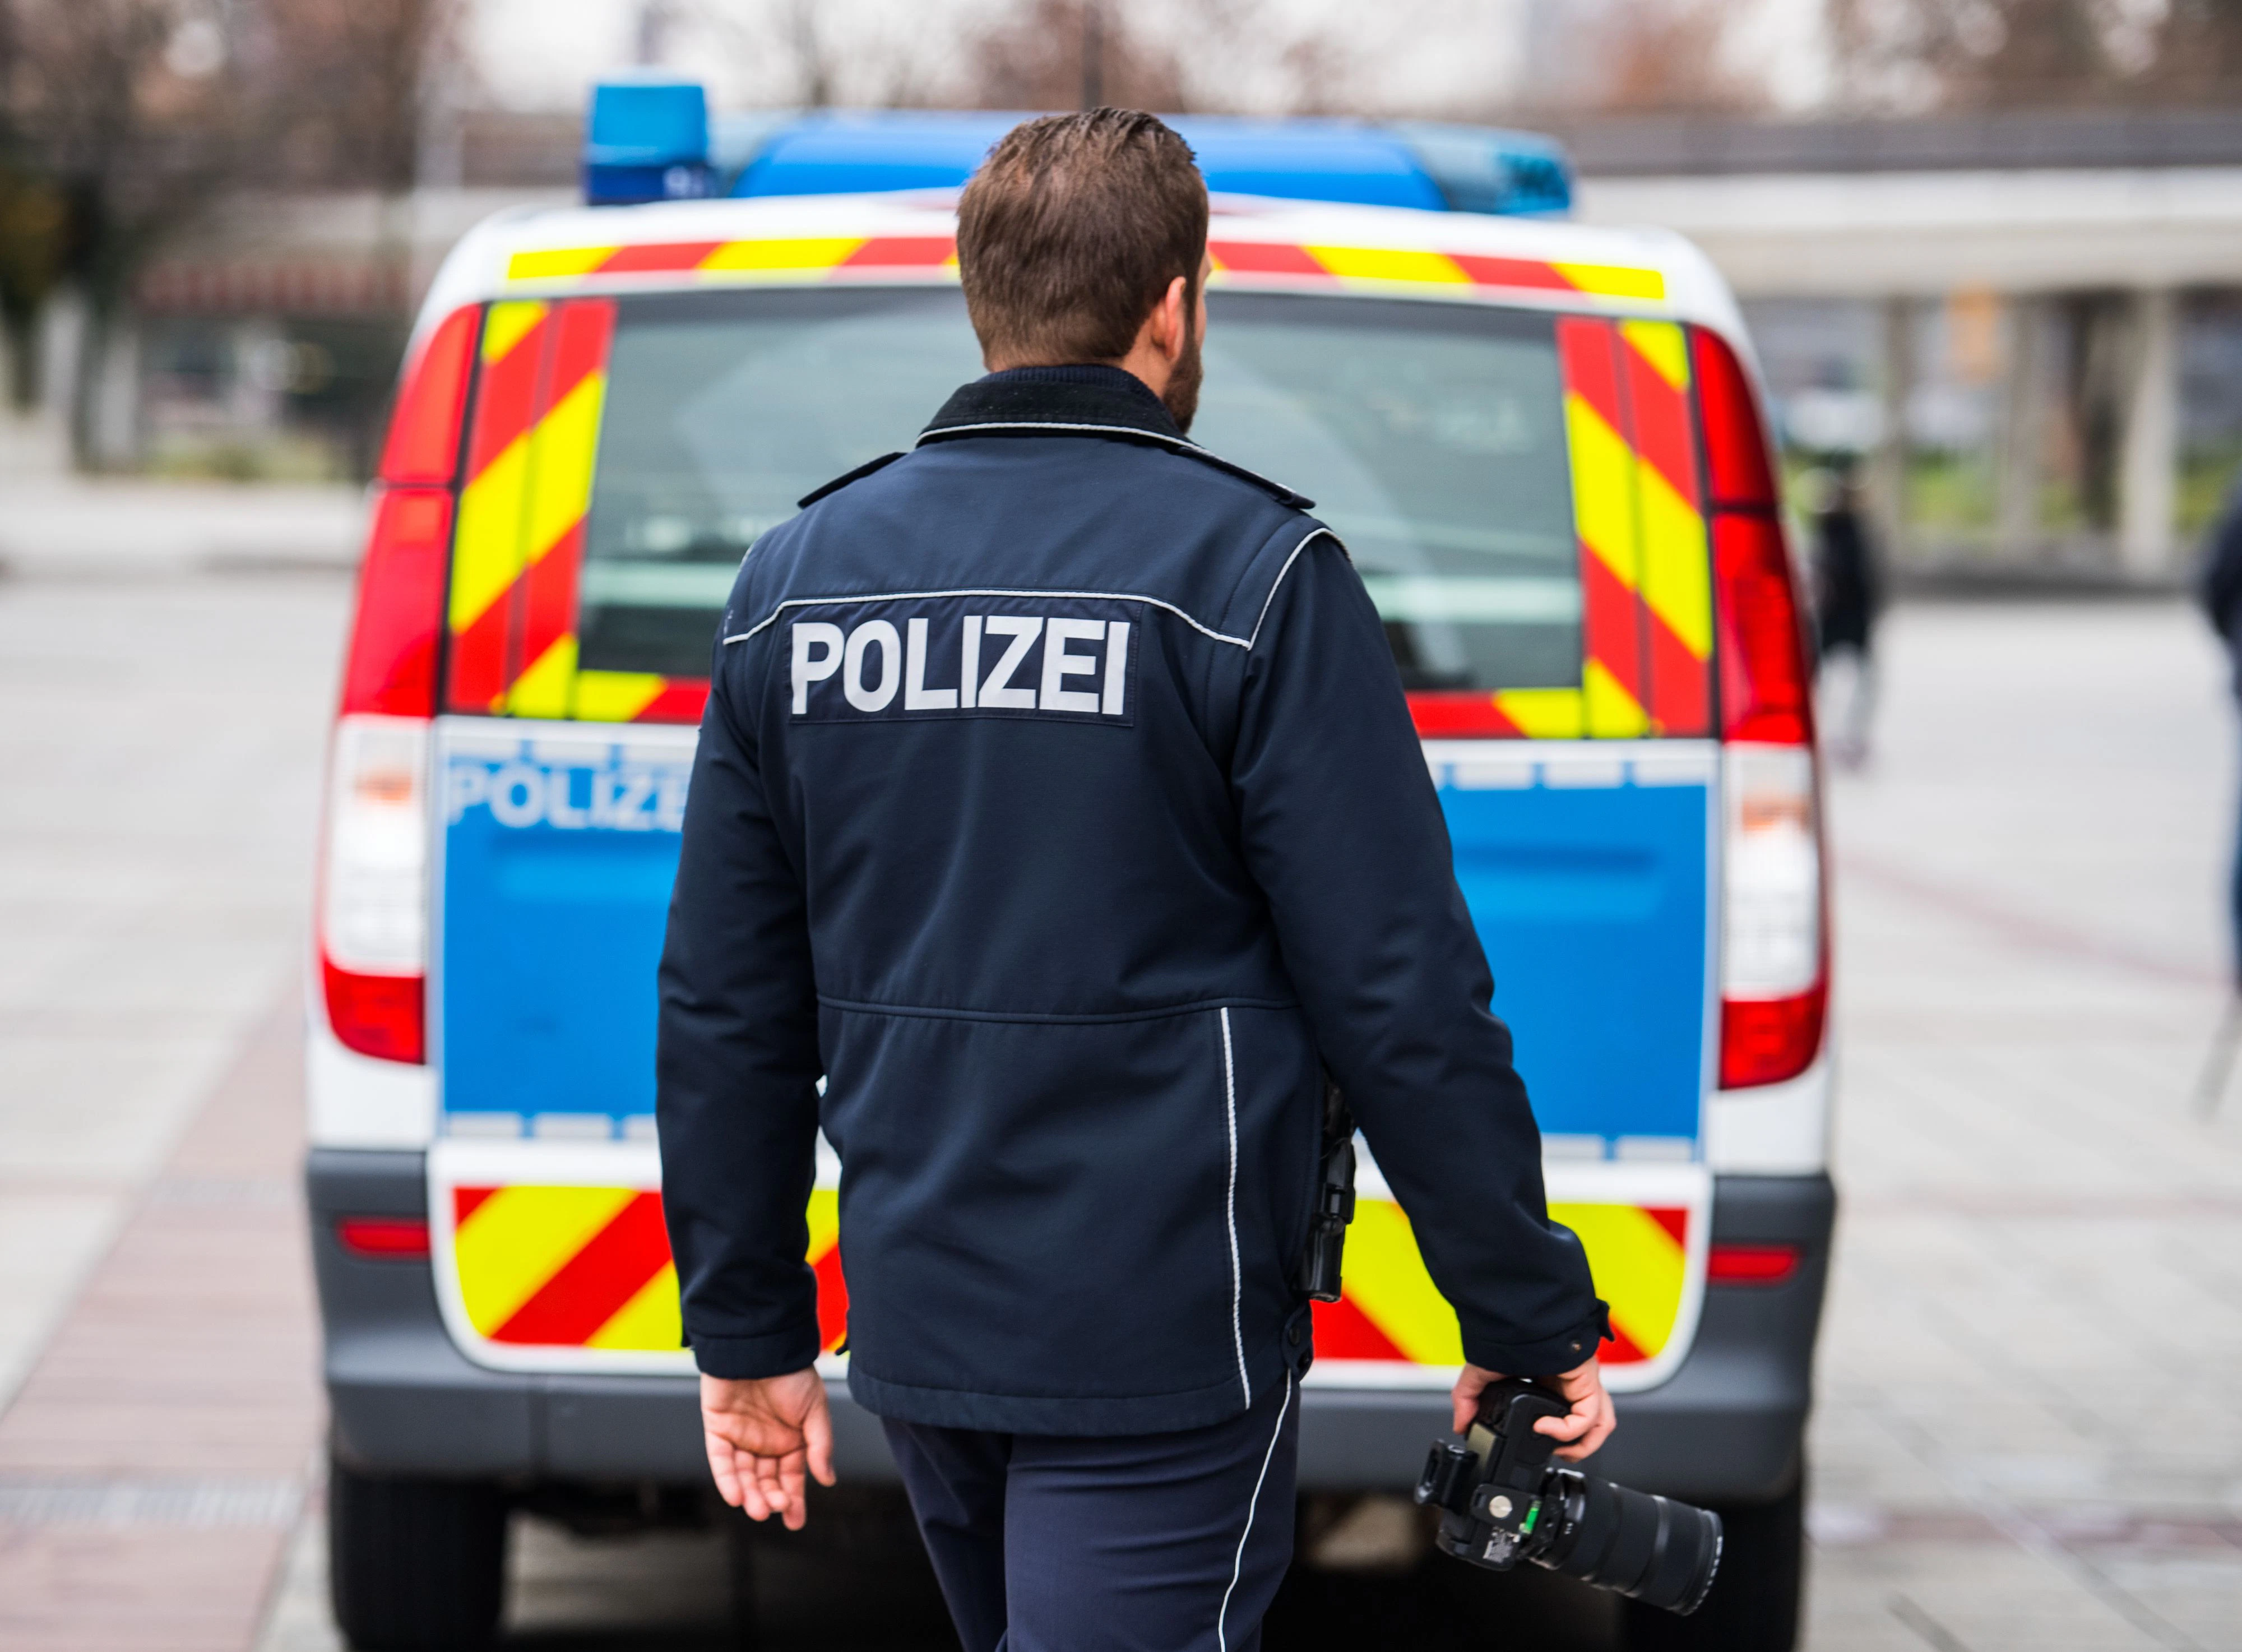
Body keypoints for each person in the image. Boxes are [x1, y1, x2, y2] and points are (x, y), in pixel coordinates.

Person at [655, 109, 1612, 1652]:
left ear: (985, 297)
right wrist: (1520, 1313)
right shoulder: (1254, 578)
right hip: (1167, 1337)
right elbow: (1401, 992)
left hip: (927, 1323)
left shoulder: (799, 584)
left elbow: (727, 1000)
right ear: (1173, 305)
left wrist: (749, 1327)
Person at [1810, 459, 1883, 769]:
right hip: (1840, 616)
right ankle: (1836, 735)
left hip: (1847, 616)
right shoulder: (1835, 531)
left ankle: (1848, 736)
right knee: (1832, 680)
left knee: (1857, 681)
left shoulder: (1842, 530)